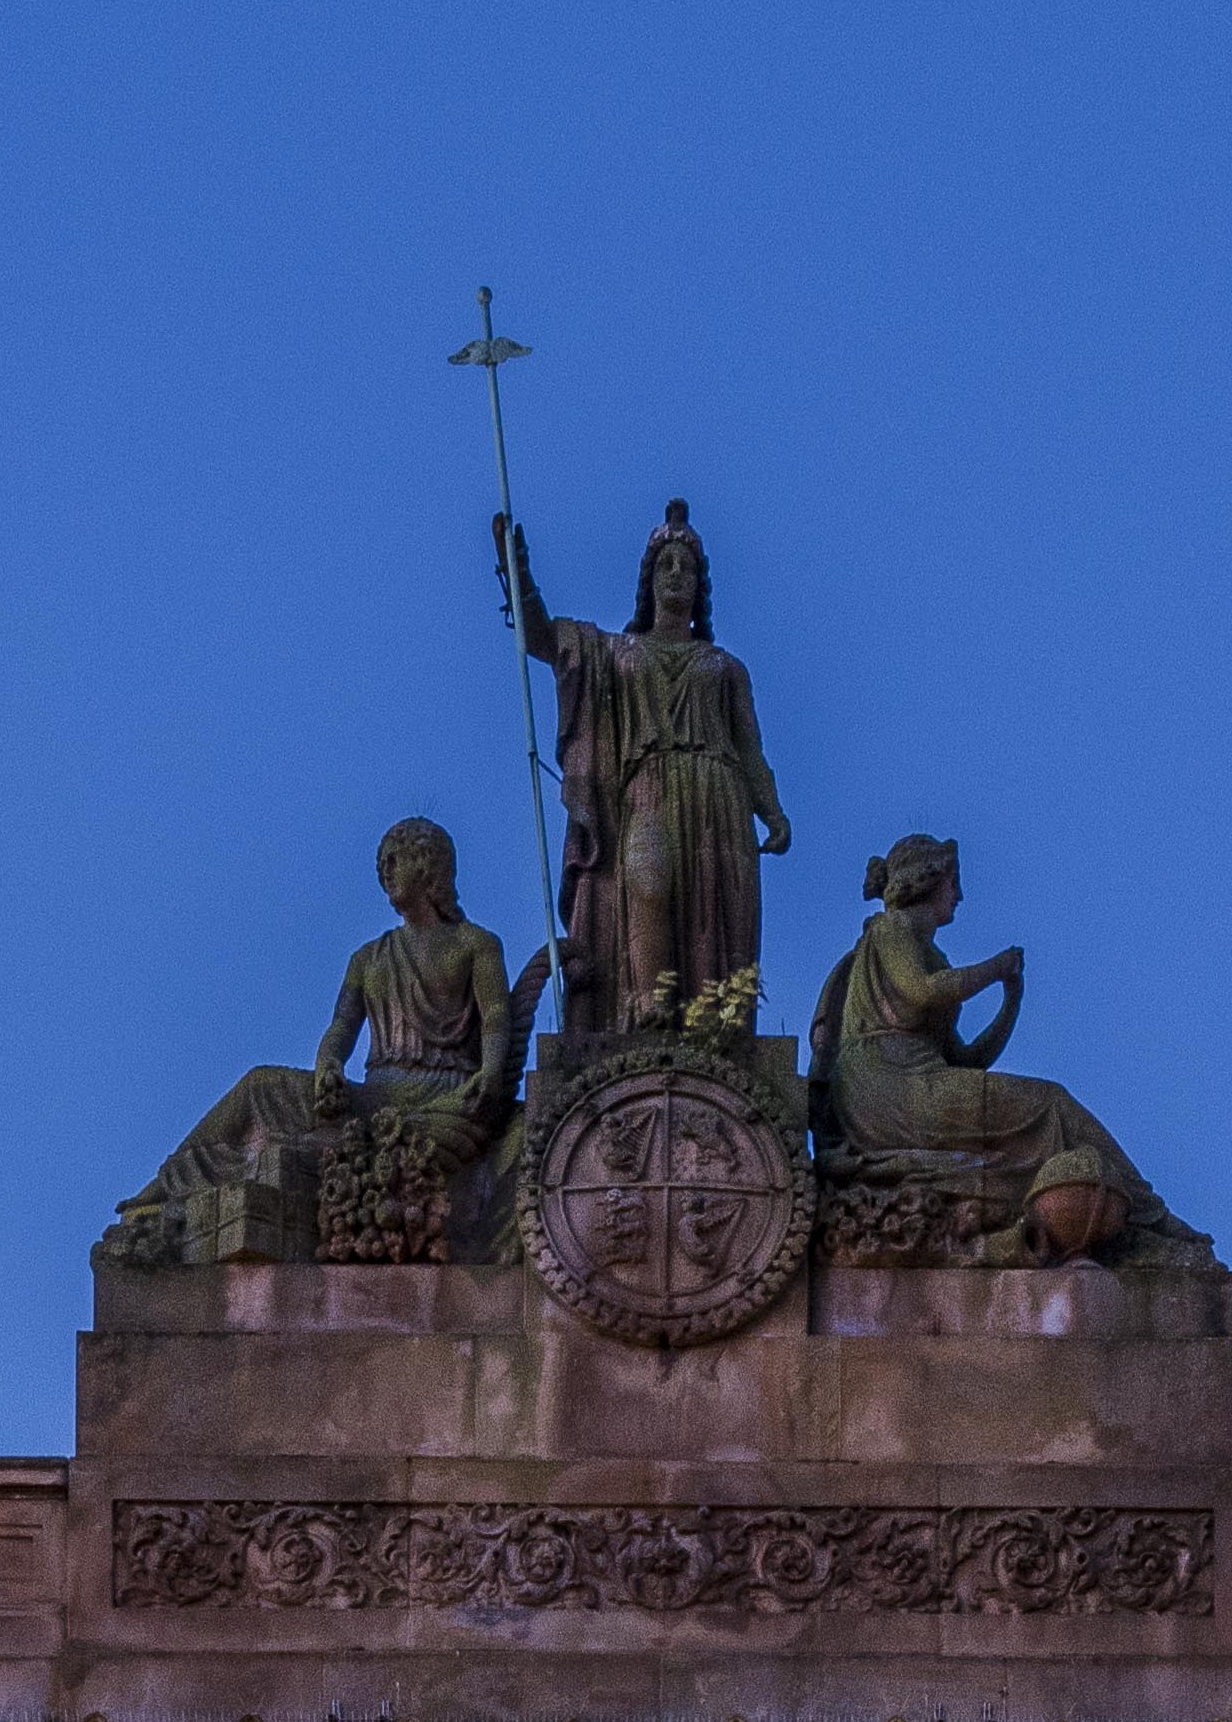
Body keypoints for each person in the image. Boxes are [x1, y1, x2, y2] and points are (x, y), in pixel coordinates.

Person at [101, 820, 531, 1264]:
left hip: (445, 1094)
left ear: (426, 865)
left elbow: (496, 1017)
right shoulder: (368, 957)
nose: (385, 871)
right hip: (375, 1097)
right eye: (381, 864)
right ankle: (169, 1184)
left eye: (394, 860)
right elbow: (341, 1028)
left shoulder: (476, 945)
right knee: (260, 1084)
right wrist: (329, 1066)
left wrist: (490, 1071)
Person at [805, 833, 1185, 1259]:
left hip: (914, 1081)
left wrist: (1011, 1001)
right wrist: (995, 967)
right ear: (927, 879)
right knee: (1051, 1104)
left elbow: (967, 1060)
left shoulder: (932, 954)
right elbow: (923, 991)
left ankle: (1136, 1209)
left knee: (1046, 1103)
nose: (959, 896)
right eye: (953, 883)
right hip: (888, 1087)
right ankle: (1149, 1213)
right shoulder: (892, 929)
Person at [498, 500, 785, 1037]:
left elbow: (750, 750)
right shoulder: (613, 651)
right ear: (648, 581)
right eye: (665, 565)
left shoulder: (726, 667)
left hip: (718, 793)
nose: (676, 574)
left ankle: (710, 1021)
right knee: (647, 879)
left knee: (709, 911)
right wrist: (520, 583)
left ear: (700, 586)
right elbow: (545, 641)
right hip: (645, 788)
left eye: (687, 567)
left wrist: (772, 812)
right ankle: (646, 1003)